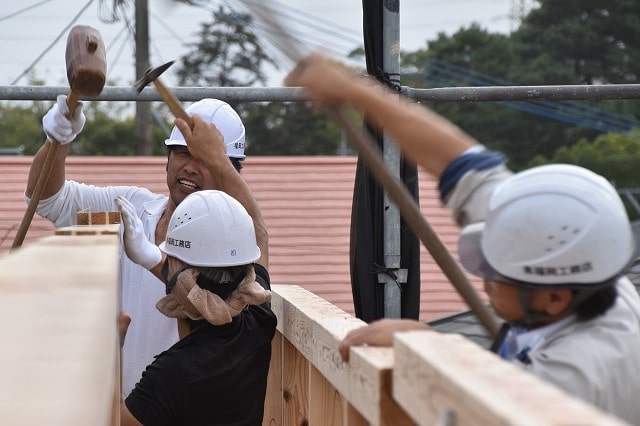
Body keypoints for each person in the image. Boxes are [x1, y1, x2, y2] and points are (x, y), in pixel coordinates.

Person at [284, 53, 640, 423]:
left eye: (495, 272)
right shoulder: (571, 251)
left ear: (553, 298)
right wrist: (356, 90)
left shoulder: (565, 386)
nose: (483, 279)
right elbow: (456, 157)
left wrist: (432, 350)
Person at [26, 96, 268, 396]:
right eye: (183, 153)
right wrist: (57, 139)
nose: (191, 168)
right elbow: (50, 199)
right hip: (124, 408)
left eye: (206, 161)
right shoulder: (131, 211)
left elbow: (258, 242)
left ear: (230, 173)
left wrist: (218, 159)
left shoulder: (231, 248)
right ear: (167, 159)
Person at [117, 189, 276, 425]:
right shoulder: (259, 322)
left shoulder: (171, 374)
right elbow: (259, 236)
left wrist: (113, 344)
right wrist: (152, 258)